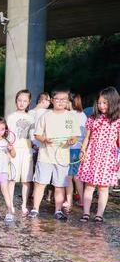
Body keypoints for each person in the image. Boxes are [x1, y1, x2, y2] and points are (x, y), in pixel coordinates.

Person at [30, 88, 80, 220]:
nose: (60, 102)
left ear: (67, 101)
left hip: (62, 157)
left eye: (64, 99)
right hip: (45, 156)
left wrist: (71, 141)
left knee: (60, 185)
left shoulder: (71, 116)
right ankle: (35, 209)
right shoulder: (45, 116)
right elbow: (37, 135)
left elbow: (75, 136)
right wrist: (44, 139)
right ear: (52, 101)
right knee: (40, 183)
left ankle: (58, 210)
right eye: (57, 99)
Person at [77, 87, 120, 223]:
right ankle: (86, 213)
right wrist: (82, 151)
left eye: (105, 103)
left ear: (113, 102)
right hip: (92, 154)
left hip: (109, 156)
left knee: (103, 187)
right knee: (89, 185)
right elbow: (87, 137)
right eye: (99, 103)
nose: (101, 106)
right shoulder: (92, 118)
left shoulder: (117, 121)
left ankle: (99, 214)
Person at [6, 89, 35, 216]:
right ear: (16, 101)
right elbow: (8, 135)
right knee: (12, 179)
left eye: (25, 101)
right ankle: (10, 204)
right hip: (14, 150)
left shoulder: (31, 117)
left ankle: (23, 205)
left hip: (27, 150)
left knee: (26, 180)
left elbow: (33, 136)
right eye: (19, 100)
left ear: (29, 102)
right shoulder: (11, 117)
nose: (22, 103)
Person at [64, 93, 87, 211]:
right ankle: (82, 200)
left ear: (70, 102)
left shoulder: (68, 115)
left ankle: (69, 201)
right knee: (77, 176)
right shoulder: (82, 114)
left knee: (68, 176)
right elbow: (84, 134)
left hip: (69, 149)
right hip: (79, 148)